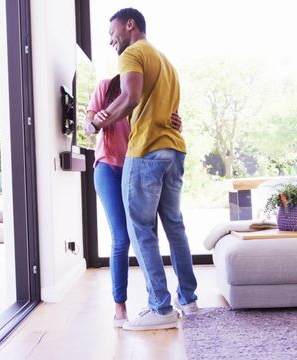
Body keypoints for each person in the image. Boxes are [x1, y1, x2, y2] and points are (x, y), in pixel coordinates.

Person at [87, 7, 198, 331]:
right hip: (174, 151)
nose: (111, 41)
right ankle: (188, 300)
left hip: (147, 151)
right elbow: (168, 110)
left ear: (129, 25)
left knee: (141, 230)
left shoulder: (133, 53)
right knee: (174, 226)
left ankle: (160, 308)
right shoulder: (166, 62)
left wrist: (101, 117)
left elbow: (131, 97)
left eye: (112, 33)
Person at [86, 75, 182, 328]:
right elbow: (89, 125)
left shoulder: (149, 92)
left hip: (139, 167)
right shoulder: (107, 87)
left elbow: (165, 129)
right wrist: (95, 122)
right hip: (108, 167)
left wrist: (176, 125)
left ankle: (157, 303)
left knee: (144, 233)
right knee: (121, 237)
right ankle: (120, 306)